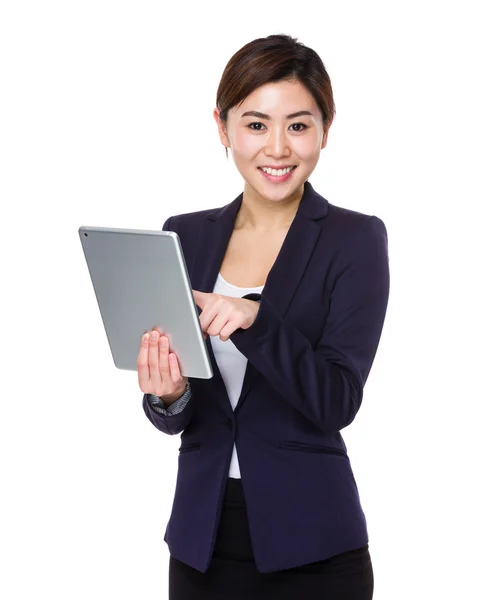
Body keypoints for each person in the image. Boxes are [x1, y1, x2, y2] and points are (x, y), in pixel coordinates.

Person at [138, 33, 389, 600]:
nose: (278, 147)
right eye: (255, 124)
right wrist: (168, 393)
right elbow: (178, 417)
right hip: (201, 541)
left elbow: (337, 401)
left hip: (314, 547)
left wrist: (257, 322)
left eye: (298, 125)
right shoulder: (184, 234)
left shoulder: (355, 239)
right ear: (223, 128)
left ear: (326, 129)